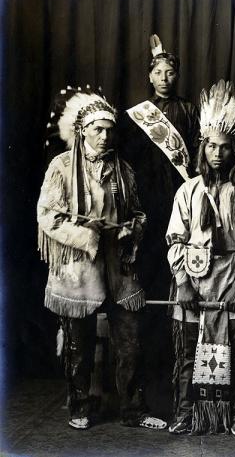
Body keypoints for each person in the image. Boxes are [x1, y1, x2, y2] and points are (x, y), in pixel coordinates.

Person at [37, 87, 167, 431]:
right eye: (98, 129)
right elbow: (47, 216)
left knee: (131, 343)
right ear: (83, 131)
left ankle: (134, 410)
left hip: (119, 268)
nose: (105, 135)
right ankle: (80, 406)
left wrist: (131, 231)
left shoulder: (123, 170)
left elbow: (138, 213)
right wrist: (86, 236)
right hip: (78, 269)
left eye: (110, 129)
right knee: (79, 346)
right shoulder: (62, 167)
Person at [166, 80, 235, 438]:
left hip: (233, 277)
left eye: (225, 148)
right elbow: (175, 239)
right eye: (211, 146)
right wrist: (182, 283)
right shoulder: (188, 191)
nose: (218, 154)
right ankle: (186, 412)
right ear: (203, 149)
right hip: (194, 277)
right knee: (190, 353)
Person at [121, 35, 201, 403]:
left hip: (183, 199)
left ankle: (185, 364)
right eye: (159, 72)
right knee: (154, 278)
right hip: (151, 203)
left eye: (171, 72)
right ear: (150, 77)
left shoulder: (189, 109)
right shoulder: (139, 115)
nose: (166, 78)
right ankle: (151, 371)